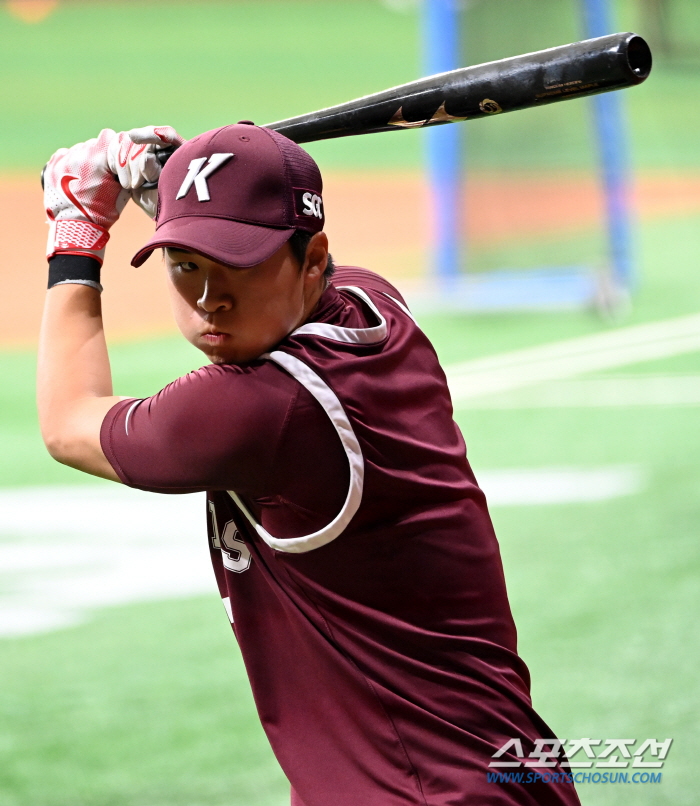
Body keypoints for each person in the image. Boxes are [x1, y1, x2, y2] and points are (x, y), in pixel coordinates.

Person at [38, 122, 580, 806]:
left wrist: (76, 230)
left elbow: (67, 420)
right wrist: (180, 187)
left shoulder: (262, 409)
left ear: (313, 259)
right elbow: (259, 245)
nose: (211, 300)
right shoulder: (375, 309)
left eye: (239, 266)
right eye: (186, 264)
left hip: (419, 791)